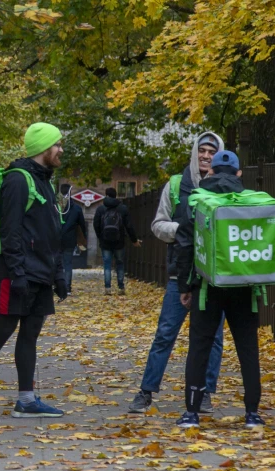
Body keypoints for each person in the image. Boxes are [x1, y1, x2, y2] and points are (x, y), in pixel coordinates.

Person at [0, 122, 68, 421]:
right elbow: (11, 233)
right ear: (44, 147)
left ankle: (26, 400)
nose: (61, 150)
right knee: (3, 331)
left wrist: (58, 273)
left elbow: (52, 232)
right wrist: (18, 273)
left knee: (30, 334)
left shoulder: (44, 180)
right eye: (57, 145)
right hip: (17, 274)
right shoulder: (18, 181)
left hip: (41, 274)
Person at [129, 132, 226, 414]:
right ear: (195, 152)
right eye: (202, 150)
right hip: (179, 275)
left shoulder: (225, 187)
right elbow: (158, 226)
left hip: (214, 277)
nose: (206, 156)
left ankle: (206, 393)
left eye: (212, 151)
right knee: (165, 334)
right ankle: (146, 392)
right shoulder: (175, 185)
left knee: (215, 338)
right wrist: (185, 229)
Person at [175, 150, 264, 429]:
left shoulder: (196, 202)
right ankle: (252, 414)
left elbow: (185, 246)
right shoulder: (250, 203)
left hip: (206, 288)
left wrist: (184, 286)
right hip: (244, 288)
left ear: (210, 173)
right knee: (248, 349)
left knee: (199, 348)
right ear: (239, 174)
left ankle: (191, 413)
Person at [93, 187, 141, 295]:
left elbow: (96, 224)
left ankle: (108, 288)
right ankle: (121, 287)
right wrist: (134, 240)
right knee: (120, 263)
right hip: (119, 241)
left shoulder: (101, 209)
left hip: (105, 242)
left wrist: (100, 237)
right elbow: (129, 226)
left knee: (107, 265)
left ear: (106, 195)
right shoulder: (123, 208)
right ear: (116, 195)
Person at [58, 183, 87, 295]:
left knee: (56, 263)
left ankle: (57, 286)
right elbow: (82, 225)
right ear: (70, 193)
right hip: (70, 239)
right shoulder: (76, 208)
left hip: (56, 238)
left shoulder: (55, 206)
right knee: (68, 264)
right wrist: (82, 237)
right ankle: (67, 288)